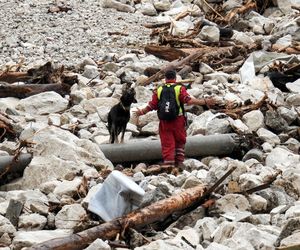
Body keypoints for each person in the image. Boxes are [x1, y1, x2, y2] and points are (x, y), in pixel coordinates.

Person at [133, 69, 219, 170]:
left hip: (165, 122)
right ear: (175, 78)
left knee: (167, 142)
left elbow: (152, 105)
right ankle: (179, 163)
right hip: (178, 120)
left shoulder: (159, 90)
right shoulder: (179, 89)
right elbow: (189, 100)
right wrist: (205, 101)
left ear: (165, 79)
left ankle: (169, 164)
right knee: (180, 141)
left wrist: (141, 112)